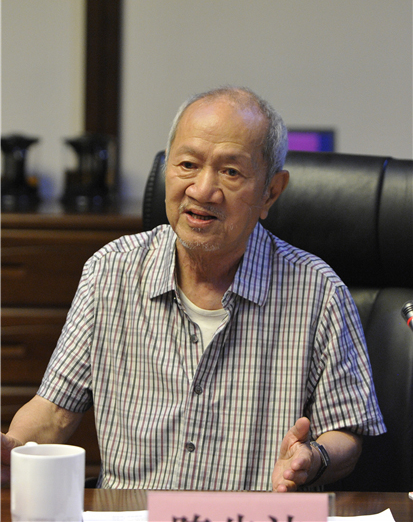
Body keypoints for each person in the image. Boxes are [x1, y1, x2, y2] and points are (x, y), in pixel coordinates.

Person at [1, 86, 386, 492]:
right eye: (187, 164)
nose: (202, 190)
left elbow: (346, 433)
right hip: (133, 514)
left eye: (231, 172)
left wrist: (314, 458)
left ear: (270, 192)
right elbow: (54, 411)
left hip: (250, 515)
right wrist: (12, 450)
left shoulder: (318, 292)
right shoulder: (110, 271)